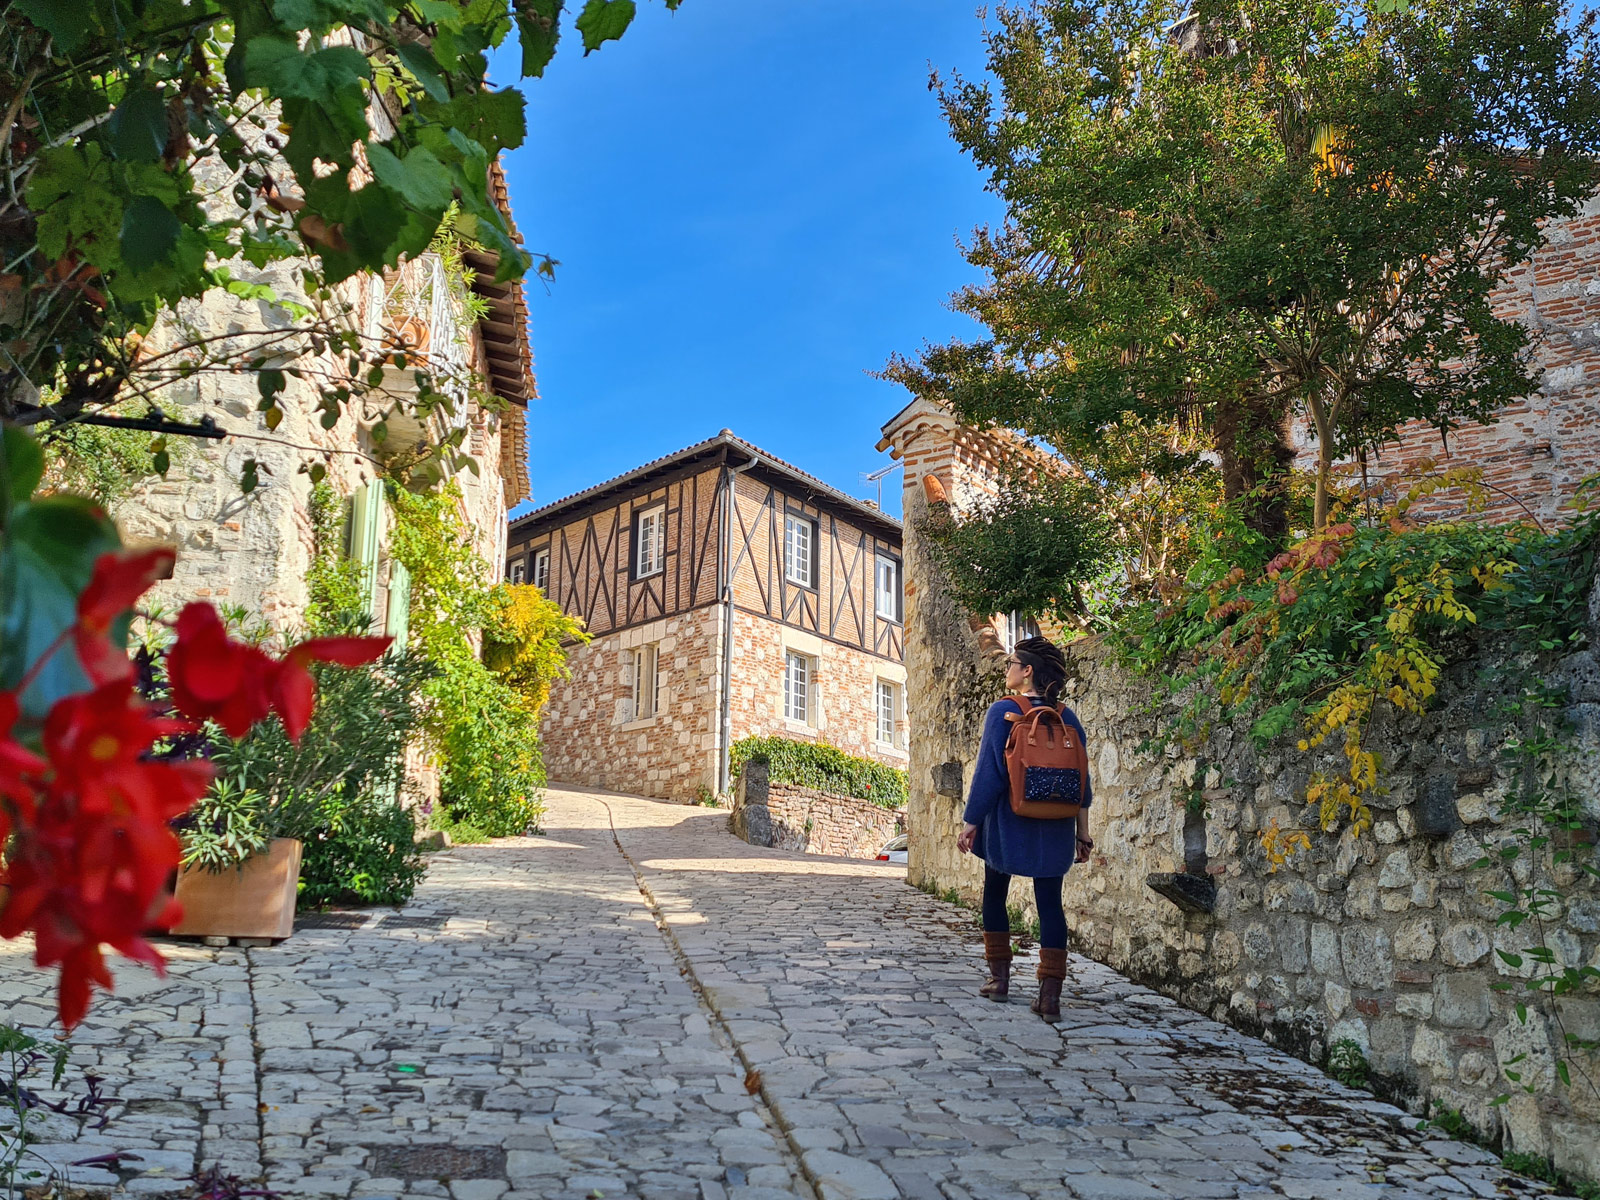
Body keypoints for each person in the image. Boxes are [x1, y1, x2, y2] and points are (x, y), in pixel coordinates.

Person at [956, 635, 1093, 1022]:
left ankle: (999, 981)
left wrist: (970, 823)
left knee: (994, 893)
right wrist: (1083, 833)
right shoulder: (1067, 717)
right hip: (1056, 826)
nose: (1007, 669)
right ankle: (1049, 998)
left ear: (1027, 671)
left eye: (1011, 663)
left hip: (1008, 822)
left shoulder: (1003, 711)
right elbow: (1083, 783)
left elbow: (989, 776)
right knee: (1050, 905)